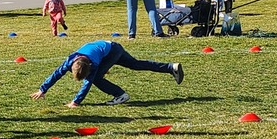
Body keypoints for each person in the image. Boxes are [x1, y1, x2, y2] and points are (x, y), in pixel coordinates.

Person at [30, 39, 184, 107]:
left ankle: (120, 95)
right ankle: (171, 67)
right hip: (112, 46)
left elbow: (87, 83)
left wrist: (75, 102)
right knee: (135, 64)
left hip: (111, 51)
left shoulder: (93, 64)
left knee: (96, 78)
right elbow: (56, 73)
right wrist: (43, 89)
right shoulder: (70, 61)